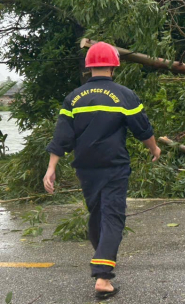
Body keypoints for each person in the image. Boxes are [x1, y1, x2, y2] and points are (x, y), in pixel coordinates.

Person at [43, 42, 161, 299]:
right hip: (114, 166)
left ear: (89, 67)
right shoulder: (124, 95)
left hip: (85, 167)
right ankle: (103, 277)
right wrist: (154, 150)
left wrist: (51, 168)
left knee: (97, 214)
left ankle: (102, 257)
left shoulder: (73, 97)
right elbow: (142, 129)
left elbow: (61, 137)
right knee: (113, 216)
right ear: (113, 65)